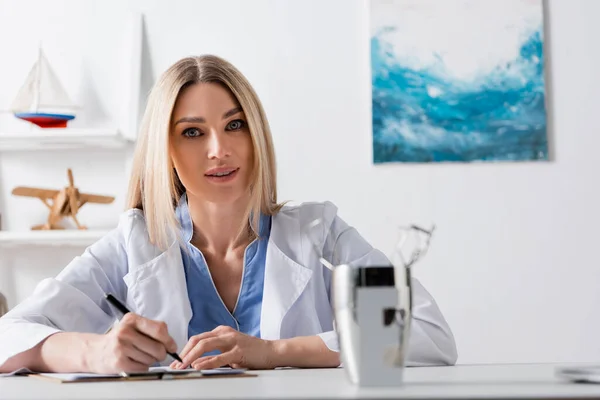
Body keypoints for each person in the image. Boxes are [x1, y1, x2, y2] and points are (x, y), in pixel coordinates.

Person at [0, 55, 457, 374]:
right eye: (193, 132)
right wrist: (98, 353)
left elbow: (428, 334)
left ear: (256, 133)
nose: (219, 150)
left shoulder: (319, 232)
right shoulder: (134, 242)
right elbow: (9, 335)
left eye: (234, 125)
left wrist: (275, 351)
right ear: (166, 151)